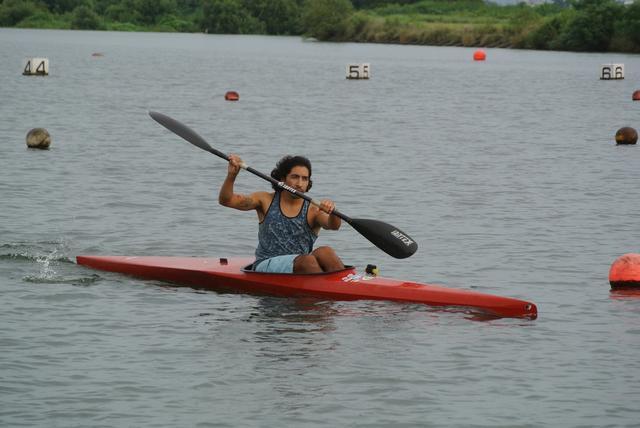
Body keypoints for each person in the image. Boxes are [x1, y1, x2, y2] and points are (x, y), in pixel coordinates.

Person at [218, 154, 345, 274]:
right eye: (294, 177)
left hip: (302, 266)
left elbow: (333, 225)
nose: (299, 184)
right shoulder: (264, 200)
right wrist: (232, 175)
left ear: (308, 183)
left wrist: (333, 212)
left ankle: (342, 287)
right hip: (266, 264)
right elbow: (227, 200)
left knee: (326, 252)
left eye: (304, 179)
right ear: (283, 179)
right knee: (307, 260)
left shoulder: (313, 209)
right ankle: (326, 291)